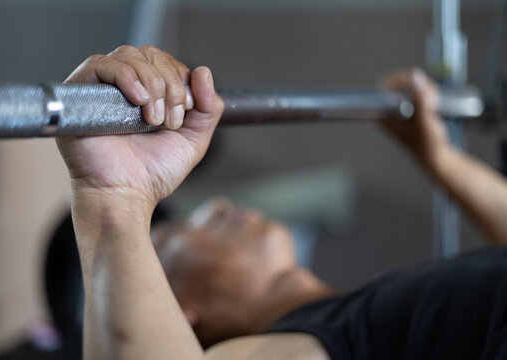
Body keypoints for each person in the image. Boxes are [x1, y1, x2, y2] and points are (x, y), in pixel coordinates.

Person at [56, 44, 507, 359]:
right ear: (180, 314)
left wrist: (440, 160)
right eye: (175, 232)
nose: (215, 206)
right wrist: (115, 202)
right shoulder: (290, 346)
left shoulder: (366, 308)